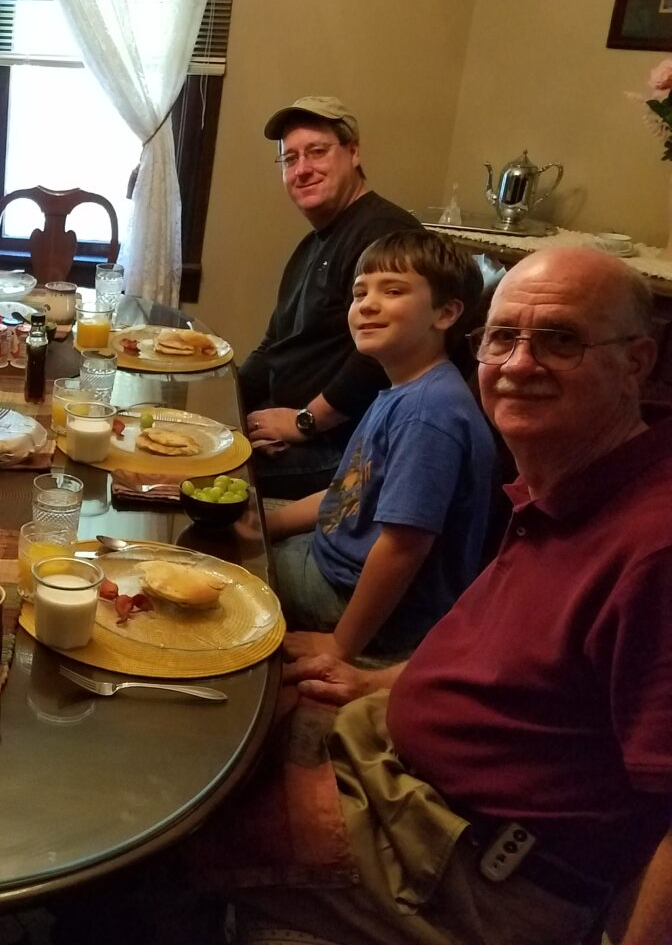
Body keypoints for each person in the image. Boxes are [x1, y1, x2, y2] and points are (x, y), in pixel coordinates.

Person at [232, 247, 672, 944]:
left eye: (560, 339)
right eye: (503, 339)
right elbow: (501, 656)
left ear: (637, 362)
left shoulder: (654, 546)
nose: (520, 364)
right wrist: (371, 681)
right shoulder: (561, 482)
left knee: (178, 835)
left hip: (466, 855)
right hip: (393, 761)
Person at [265, 231, 495, 661]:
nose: (367, 304)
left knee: (223, 568)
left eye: (393, 291)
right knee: (234, 537)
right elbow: (346, 494)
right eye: (359, 292)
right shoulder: (403, 390)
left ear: (445, 313)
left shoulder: (429, 412)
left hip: (360, 603)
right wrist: (261, 526)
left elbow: (404, 548)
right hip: (331, 563)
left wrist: (340, 645)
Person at [239, 96, 421, 499]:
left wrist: (305, 422)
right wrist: (225, 410)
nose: (302, 170)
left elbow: (384, 352)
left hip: (341, 446)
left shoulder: (385, 234)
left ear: (353, 152)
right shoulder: (312, 244)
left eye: (317, 152)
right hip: (289, 425)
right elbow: (273, 346)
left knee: (197, 477)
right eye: (290, 160)